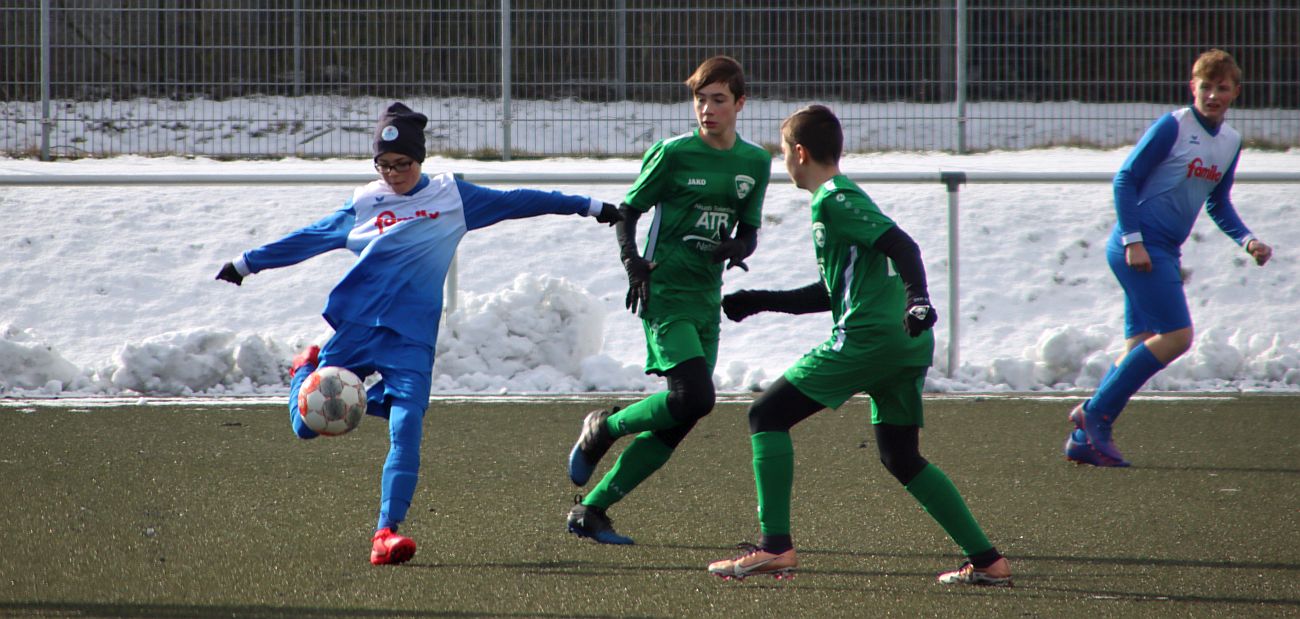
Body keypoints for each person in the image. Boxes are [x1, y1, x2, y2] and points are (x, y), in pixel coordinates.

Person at [215, 102, 622, 565]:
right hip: (358, 330)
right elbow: (310, 237)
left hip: (410, 343)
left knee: (407, 427)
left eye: (402, 164)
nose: (392, 174)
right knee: (305, 428)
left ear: (420, 160)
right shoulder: (366, 203)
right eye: (383, 165)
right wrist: (248, 263)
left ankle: (385, 533)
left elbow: (521, 201)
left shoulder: (453, 198)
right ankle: (303, 369)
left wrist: (589, 206)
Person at [704, 105, 1012, 586]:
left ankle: (775, 547)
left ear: (800, 153)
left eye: (784, 151)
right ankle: (988, 560)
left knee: (766, 415)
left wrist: (918, 298)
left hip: (870, 341)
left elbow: (904, 246)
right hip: (905, 346)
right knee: (901, 456)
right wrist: (759, 300)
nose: (784, 161)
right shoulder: (839, 202)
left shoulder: (834, 198)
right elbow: (834, 292)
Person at [564, 55, 771, 544]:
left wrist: (738, 248)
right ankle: (605, 427)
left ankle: (591, 511)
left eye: (718, 99)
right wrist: (632, 262)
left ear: (740, 103)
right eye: (700, 99)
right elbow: (627, 211)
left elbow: (750, 230)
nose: (706, 109)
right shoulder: (672, 154)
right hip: (664, 290)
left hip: (705, 297)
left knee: (683, 417)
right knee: (693, 397)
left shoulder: (756, 162)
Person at [1064, 49, 1273, 467]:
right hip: (1138, 247)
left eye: (1222, 88)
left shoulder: (1230, 142)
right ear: (1191, 88)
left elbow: (1218, 203)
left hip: (1162, 249)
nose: (1213, 95)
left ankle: (1084, 435)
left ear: (1235, 93)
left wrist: (1247, 240)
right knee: (1178, 336)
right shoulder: (1173, 126)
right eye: (1206, 87)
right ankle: (1095, 414)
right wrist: (1133, 240)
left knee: (1140, 346)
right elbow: (1125, 178)